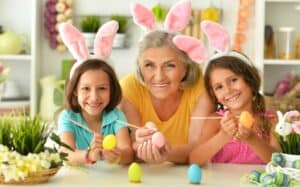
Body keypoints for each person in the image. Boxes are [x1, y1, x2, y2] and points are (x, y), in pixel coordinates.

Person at [119, 0, 214, 164]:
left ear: (185, 67)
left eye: (169, 66)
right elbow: (130, 147)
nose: (158, 76)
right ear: (140, 67)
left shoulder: (201, 87)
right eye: (149, 66)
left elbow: (198, 148)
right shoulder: (129, 88)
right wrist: (139, 147)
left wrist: (166, 154)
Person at [57, 21, 133, 165]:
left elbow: (128, 152)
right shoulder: (68, 117)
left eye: (102, 88)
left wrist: (117, 155)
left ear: (112, 90)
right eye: (86, 89)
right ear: (74, 91)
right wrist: (89, 155)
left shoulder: (116, 116)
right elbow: (65, 154)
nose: (94, 97)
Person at [189, 51, 281, 166]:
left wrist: (251, 138)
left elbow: (279, 162)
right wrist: (224, 135)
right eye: (219, 87)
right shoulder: (215, 121)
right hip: (223, 184)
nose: (228, 90)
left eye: (233, 80)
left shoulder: (271, 120)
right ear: (214, 95)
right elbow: (194, 160)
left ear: (250, 79)